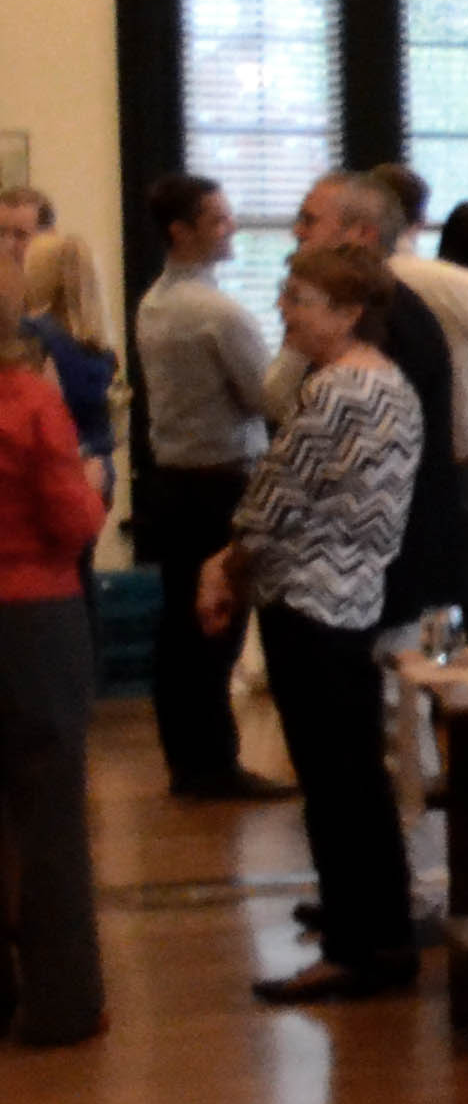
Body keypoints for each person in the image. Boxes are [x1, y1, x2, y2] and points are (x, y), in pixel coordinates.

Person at [202, 240, 426, 1003]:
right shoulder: (390, 383)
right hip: (356, 597)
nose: (284, 310)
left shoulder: (334, 392)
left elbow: (272, 505)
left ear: (349, 312)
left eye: (299, 299)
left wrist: (221, 568)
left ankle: (354, 950)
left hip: (308, 602)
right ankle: (383, 932)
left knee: (334, 786)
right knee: (358, 777)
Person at [268, 173, 468, 636]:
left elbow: (332, 470)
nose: (298, 231)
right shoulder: (370, 318)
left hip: (381, 578)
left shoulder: (383, 329)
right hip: (365, 577)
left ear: (361, 235)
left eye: (310, 220)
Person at [129, 174, 277, 801]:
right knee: (217, 628)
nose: (231, 226)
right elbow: (265, 396)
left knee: (180, 628)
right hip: (220, 484)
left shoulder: (154, 303)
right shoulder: (218, 313)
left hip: (172, 483)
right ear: (180, 231)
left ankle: (188, 761)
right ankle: (214, 763)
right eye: (217, 218)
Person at [0, 304, 110, 1045]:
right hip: (32, 617)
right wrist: (93, 484)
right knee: (49, 816)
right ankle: (62, 1003)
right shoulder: (29, 401)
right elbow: (73, 523)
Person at [374, 165, 468, 636]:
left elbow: (277, 388)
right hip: (457, 445)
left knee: (392, 599)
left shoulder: (351, 284)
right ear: (420, 217)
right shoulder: (457, 286)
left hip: (378, 455)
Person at [0, 186, 118, 491]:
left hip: (64, 471)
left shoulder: (55, 325)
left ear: (48, 237)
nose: (8, 246)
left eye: (20, 235)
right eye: (1, 234)